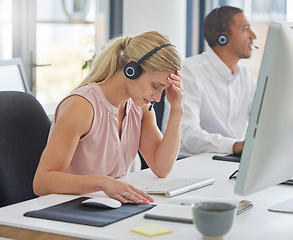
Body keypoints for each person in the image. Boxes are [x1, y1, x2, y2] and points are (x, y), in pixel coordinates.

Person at [33, 31, 184, 205]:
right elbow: (42, 182)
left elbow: (162, 168)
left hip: (107, 206)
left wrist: (177, 108)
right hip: (66, 207)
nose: (157, 98)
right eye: (155, 86)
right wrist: (103, 182)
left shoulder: (140, 108)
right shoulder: (81, 107)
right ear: (132, 69)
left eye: (163, 90)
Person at [162, 6, 257, 158]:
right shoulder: (190, 72)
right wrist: (232, 146)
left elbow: (262, 118)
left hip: (228, 161)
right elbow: (185, 134)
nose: (254, 36)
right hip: (192, 163)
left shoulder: (244, 75)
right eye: (245, 29)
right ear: (223, 38)